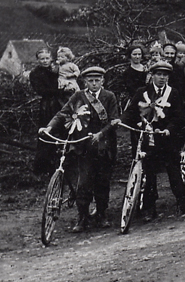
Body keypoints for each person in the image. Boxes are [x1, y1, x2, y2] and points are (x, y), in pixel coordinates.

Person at [39, 66, 121, 231]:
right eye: (90, 81)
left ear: (103, 81)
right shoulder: (78, 96)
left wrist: (101, 134)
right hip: (83, 146)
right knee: (83, 182)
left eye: (97, 80)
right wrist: (48, 128)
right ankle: (82, 217)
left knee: (102, 182)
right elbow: (62, 114)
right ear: (84, 82)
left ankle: (101, 214)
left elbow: (114, 121)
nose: (94, 83)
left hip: (104, 147)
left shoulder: (109, 96)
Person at [123, 61, 185, 220]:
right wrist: (134, 125)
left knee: (174, 170)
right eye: (159, 74)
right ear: (152, 75)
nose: (162, 78)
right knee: (149, 173)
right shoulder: (142, 92)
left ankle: (182, 201)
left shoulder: (173, 93)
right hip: (147, 139)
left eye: (165, 75)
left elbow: (179, 116)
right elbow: (130, 113)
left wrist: (169, 129)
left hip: (167, 138)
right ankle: (149, 207)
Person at [30, 47, 68, 175]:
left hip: (61, 103)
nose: (45, 61)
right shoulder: (35, 73)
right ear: (38, 60)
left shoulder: (56, 69)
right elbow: (41, 91)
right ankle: (44, 167)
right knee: (47, 132)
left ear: (51, 58)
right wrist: (60, 91)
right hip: (48, 106)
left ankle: (64, 164)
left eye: (47, 58)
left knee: (64, 131)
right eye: (42, 59)